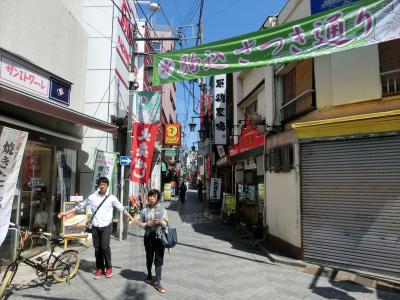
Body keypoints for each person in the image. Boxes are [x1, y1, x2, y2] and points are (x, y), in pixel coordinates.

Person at [58, 177, 136, 279]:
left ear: (107, 186)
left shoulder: (111, 198)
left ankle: (108, 267)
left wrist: (131, 218)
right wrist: (66, 212)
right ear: (98, 186)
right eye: (100, 184)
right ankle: (99, 268)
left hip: (106, 226)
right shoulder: (92, 197)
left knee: (105, 247)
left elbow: (121, 209)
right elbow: (79, 206)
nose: (102, 186)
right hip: (95, 226)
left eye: (104, 184)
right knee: (97, 248)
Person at [139, 189, 168, 293]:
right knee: (149, 257)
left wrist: (160, 221)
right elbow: (140, 223)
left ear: (157, 199)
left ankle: (158, 282)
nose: (151, 198)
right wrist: (147, 224)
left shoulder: (162, 210)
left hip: (159, 237)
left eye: (153, 196)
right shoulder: (144, 210)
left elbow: (166, 222)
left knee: (159, 259)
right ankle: (149, 275)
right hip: (149, 237)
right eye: (150, 196)